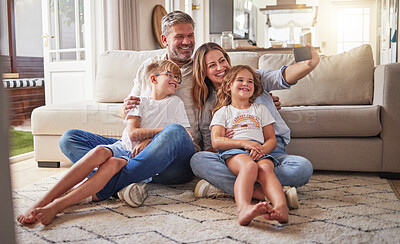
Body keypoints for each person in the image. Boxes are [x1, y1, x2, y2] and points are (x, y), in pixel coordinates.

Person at [17, 60, 193, 226]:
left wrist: (152, 139)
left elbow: (183, 134)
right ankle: (43, 201)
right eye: (170, 75)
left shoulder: (175, 102)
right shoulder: (139, 101)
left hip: (145, 155)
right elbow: (132, 134)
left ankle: (62, 202)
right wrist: (155, 135)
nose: (176, 80)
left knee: (173, 131)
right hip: (126, 147)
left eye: (178, 78)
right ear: (153, 79)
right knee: (75, 140)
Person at [58, 11, 196, 210]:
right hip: (136, 148)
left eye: (190, 35)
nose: (187, 42)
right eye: (180, 37)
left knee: (175, 131)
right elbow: (129, 112)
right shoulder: (149, 67)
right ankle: (129, 182)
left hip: (174, 155)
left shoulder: (200, 68)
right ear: (165, 39)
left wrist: (154, 140)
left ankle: (101, 187)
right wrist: (126, 109)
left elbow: (195, 127)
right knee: (70, 138)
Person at [190, 42, 320, 207]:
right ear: (203, 72)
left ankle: (223, 188)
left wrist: (307, 65)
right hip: (234, 156)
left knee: (302, 168)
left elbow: (282, 76)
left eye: (222, 60)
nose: (220, 67)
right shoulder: (209, 103)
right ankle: (269, 193)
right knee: (198, 160)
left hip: (270, 150)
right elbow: (212, 144)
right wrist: (229, 141)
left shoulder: (251, 77)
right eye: (212, 65)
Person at [210, 65, 288, 225]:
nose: (246, 83)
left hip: (259, 151)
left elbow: (271, 139)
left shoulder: (260, 109)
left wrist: (262, 150)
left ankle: (281, 207)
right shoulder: (223, 112)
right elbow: (216, 141)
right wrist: (243, 143)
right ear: (228, 86)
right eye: (240, 80)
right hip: (234, 151)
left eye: (250, 81)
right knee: (249, 167)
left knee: (266, 168)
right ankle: (244, 208)